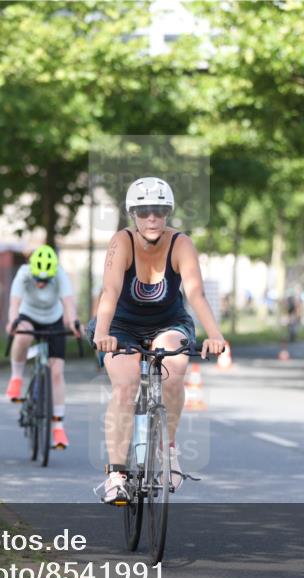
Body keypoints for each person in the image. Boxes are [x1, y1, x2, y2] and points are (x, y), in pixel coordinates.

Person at [88, 177, 226, 504]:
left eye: (160, 211)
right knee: (125, 383)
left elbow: (195, 293)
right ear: (133, 213)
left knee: (175, 369)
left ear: (168, 213)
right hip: (121, 324)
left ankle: (168, 452)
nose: (152, 218)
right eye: (145, 211)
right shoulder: (121, 242)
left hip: (169, 321)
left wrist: (215, 335)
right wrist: (101, 333)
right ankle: (116, 474)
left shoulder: (181, 244)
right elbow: (110, 291)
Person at [5, 245, 81, 450]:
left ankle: (58, 428)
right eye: (38, 279)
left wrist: (73, 323)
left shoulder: (60, 275)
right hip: (28, 315)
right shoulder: (23, 273)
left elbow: (69, 304)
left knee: (56, 372)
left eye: (45, 281)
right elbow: (14, 304)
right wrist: (12, 322)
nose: (40, 284)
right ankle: (16, 378)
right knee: (22, 336)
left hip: (53, 319)